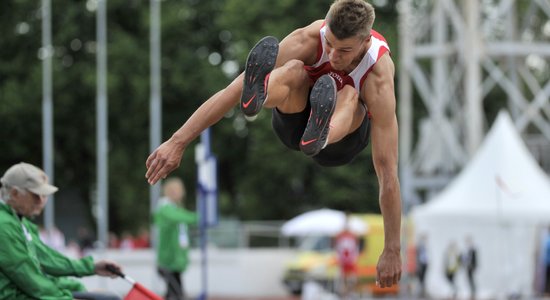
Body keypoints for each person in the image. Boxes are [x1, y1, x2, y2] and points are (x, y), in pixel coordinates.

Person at [145, 0, 401, 287]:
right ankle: (260, 96)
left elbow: (387, 172)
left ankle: (322, 133)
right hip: (294, 120)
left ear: (366, 41)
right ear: (325, 28)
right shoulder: (308, 38)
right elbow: (230, 91)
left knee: (349, 96)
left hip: (340, 141)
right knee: (293, 69)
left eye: (344, 51)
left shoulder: (378, 75)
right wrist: (177, 141)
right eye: (329, 44)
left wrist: (392, 248)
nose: (333, 55)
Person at [0, 162, 122, 300]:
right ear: (15, 193)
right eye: (36, 195)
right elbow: (30, 279)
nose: (42, 201)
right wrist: (68, 296)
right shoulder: (4, 225)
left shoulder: (18, 221)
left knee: (105, 297)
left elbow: (47, 259)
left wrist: (90, 268)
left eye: (43, 195)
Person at [154, 177, 198, 300]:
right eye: (173, 190)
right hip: (167, 261)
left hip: (175, 262)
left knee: (172, 294)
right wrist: (200, 217)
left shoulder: (176, 207)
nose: (177, 193)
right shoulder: (165, 208)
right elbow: (179, 217)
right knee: (177, 294)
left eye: (178, 190)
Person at [334, 213, 360, 298]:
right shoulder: (340, 235)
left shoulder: (353, 235)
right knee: (344, 278)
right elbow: (337, 247)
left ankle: (349, 292)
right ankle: (345, 294)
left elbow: (355, 247)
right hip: (344, 260)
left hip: (350, 260)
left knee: (352, 278)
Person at [462, 235, 477, 299]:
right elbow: (465, 259)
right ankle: (471, 292)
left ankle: (473, 293)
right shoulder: (466, 250)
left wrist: (474, 266)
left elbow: (475, 259)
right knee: (469, 280)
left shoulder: (473, 250)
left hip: (471, 267)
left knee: (471, 280)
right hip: (467, 267)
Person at [415, 233, 429, 298]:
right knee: (421, 277)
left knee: (422, 278)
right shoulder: (421, 245)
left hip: (424, 263)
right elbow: (418, 255)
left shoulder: (424, 245)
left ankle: (422, 291)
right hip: (422, 263)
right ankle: (421, 291)